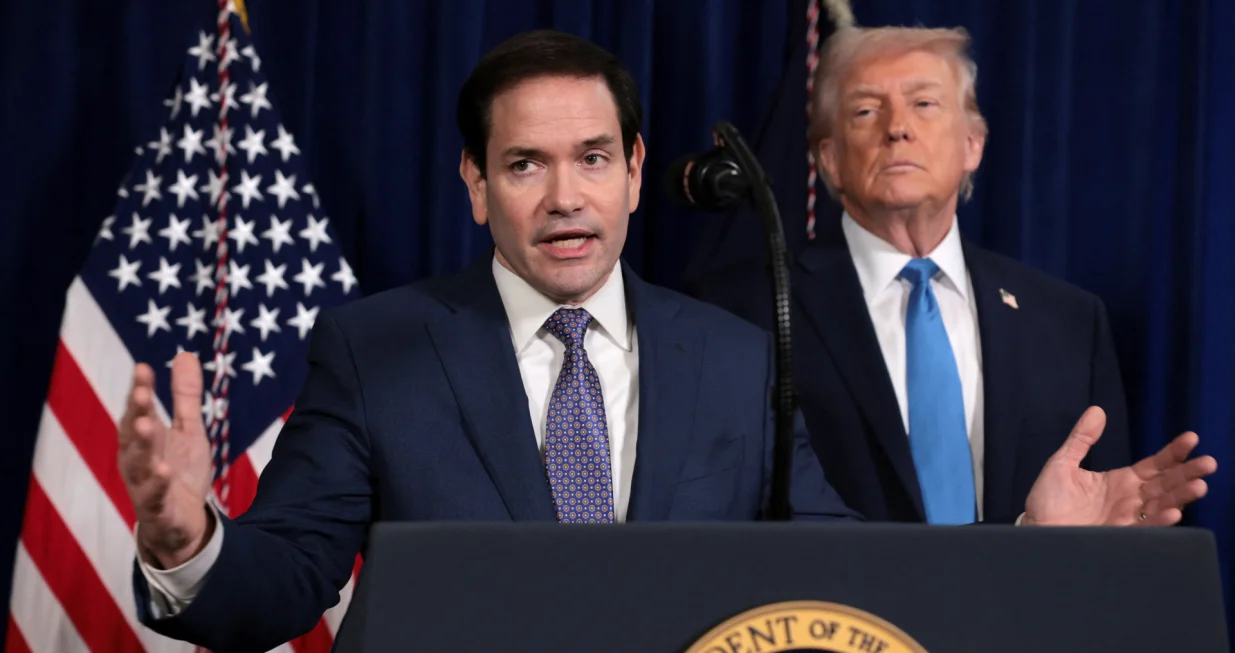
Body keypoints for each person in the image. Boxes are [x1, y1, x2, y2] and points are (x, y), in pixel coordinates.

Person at [118, 29, 1216, 651]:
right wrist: (187, 536)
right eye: (524, 164)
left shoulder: (732, 353)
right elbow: (284, 579)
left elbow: (851, 571)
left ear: (637, 173)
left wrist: (1024, 542)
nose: (564, 197)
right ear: (473, 185)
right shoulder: (377, 348)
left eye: (593, 157)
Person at [688, 25, 1158, 524]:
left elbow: (1103, 523)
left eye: (925, 105)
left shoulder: (1068, 322)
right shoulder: (743, 309)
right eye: (866, 111)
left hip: (1025, 599)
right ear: (829, 160)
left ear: (972, 144)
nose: (897, 128)